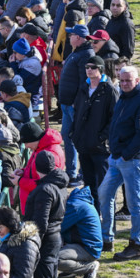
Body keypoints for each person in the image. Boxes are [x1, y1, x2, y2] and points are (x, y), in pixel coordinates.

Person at [100, 66, 140, 260]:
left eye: (128, 81)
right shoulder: (123, 96)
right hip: (116, 157)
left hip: (131, 160)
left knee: (134, 202)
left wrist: (126, 155)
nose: (124, 84)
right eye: (121, 80)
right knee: (104, 194)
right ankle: (106, 238)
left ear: (137, 81)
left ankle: (137, 244)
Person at [23, 151, 66, 278]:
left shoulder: (45, 190)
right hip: (54, 238)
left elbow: (40, 223)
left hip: (46, 241)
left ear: (36, 168)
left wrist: (23, 237)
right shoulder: (59, 184)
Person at [71, 55, 118, 206]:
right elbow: (77, 112)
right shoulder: (83, 88)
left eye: (93, 67)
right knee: (88, 184)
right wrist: (74, 133)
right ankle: (93, 215)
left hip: (100, 147)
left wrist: (101, 137)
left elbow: (114, 119)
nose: (89, 70)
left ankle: (106, 214)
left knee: (104, 184)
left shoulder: (109, 91)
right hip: (83, 144)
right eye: (87, 67)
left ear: (101, 69)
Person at [57, 24, 95, 183]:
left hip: (73, 106)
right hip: (67, 105)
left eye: (71, 35)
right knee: (67, 136)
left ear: (78, 38)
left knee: (78, 138)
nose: (69, 37)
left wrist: (77, 103)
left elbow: (84, 82)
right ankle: (71, 172)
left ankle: (81, 173)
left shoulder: (85, 55)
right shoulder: (78, 52)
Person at [58, 185, 101, 278]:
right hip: (80, 243)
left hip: (88, 248)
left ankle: (89, 268)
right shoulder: (77, 200)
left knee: (54, 258)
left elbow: (58, 226)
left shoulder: (74, 206)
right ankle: (70, 270)